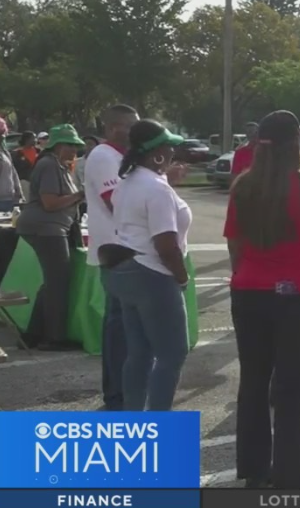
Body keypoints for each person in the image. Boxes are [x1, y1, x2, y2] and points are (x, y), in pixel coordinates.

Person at [225, 110, 300, 489]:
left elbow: (234, 241)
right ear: (297, 142)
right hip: (297, 295)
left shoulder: (244, 185)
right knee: (290, 389)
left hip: (249, 291)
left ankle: (254, 470)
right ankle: (292, 474)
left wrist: (246, 276)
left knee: (254, 382)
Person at [101, 119, 192, 411]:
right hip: (153, 273)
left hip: (126, 269)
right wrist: (182, 277)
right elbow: (165, 245)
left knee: (139, 353)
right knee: (172, 354)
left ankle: (134, 418)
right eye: (168, 147)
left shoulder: (127, 183)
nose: (172, 152)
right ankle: (159, 424)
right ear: (157, 153)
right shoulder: (155, 188)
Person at [83, 104, 140, 412]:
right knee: (120, 329)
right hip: (117, 252)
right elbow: (117, 203)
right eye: (129, 126)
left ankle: (122, 393)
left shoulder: (122, 157)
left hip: (124, 250)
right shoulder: (104, 156)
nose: (134, 132)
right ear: (112, 127)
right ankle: (117, 396)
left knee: (125, 326)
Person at [15, 124, 86, 351]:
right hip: (47, 228)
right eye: (70, 145)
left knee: (53, 281)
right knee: (58, 282)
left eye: (76, 145)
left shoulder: (59, 165)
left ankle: (33, 334)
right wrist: (80, 195)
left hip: (51, 228)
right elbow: (50, 203)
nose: (74, 149)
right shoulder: (49, 165)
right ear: (57, 146)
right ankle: (53, 338)